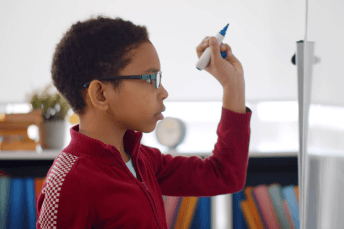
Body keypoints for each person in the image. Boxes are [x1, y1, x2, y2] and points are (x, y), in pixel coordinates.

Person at [36, 15, 252, 229]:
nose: (164, 92)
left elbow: (224, 174)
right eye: (151, 79)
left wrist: (233, 85)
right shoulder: (68, 183)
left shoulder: (143, 160)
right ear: (101, 94)